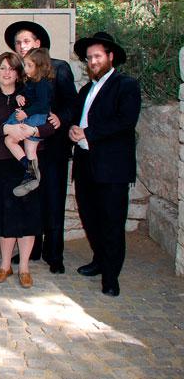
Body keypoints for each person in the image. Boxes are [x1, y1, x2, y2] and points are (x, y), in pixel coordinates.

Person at [69, 32, 140, 297]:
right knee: (90, 217)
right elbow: (76, 120)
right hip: (86, 164)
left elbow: (125, 121)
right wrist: (72, 131)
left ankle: (111, 277)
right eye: (89, 58)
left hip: (112, 168)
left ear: (110, 57)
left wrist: (88, 133)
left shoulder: (126, 85)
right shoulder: (86, 89)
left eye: (97, 56)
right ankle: (99, 261)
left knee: (111, 222)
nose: (93, 62)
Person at [5, 21, 77, 273]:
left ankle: (54, 254)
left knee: (54, 198)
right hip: (29, 144)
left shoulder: (59, 68)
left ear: (38, 43)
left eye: (26, 41)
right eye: (17, 42)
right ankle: (32, 249)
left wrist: (62, 117)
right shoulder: (22, 72)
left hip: (54, 146)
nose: (21, 46)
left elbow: (72, 102)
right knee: (31, 197)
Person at [0, 52, 54, 289]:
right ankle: (5, 264)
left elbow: (49, 125)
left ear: (18, 72)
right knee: (5, 218)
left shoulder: (28, 95)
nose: (7, 73)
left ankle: (25, 268)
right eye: (2, 69)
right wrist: (7, 129)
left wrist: (32, 132)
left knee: (28, 217)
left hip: (28, 167)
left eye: (11, 69)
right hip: (1, 164)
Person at [4, 48, 55, 196]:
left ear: (39, 67)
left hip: (36, 118)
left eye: (29, 66)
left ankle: (32, 176)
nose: (25, 69)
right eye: (25, 65)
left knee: (30, 148)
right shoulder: (31, 82)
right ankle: (29, 168)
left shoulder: (43, 84)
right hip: (28, 116)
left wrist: (26, 112)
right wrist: (19, 96)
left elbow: (43, 105)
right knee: (9, 140)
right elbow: (26, 93)